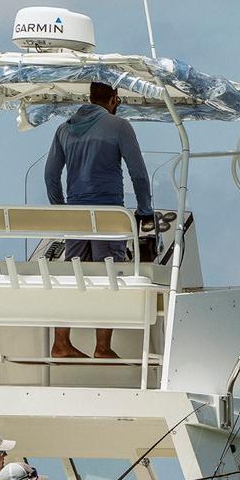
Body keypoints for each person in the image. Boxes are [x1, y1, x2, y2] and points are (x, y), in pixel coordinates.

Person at [43, 80, 155, 360]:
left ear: (89, 98)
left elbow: (50, 176)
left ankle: (61, 344)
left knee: (73, 277)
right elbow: (138, 173)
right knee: (110, 278)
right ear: (114, 100)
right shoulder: (119, 127)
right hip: (108, 216)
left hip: (76, 217)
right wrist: (144, 210)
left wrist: (61, 210)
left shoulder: (64, 129)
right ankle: (102, 348)